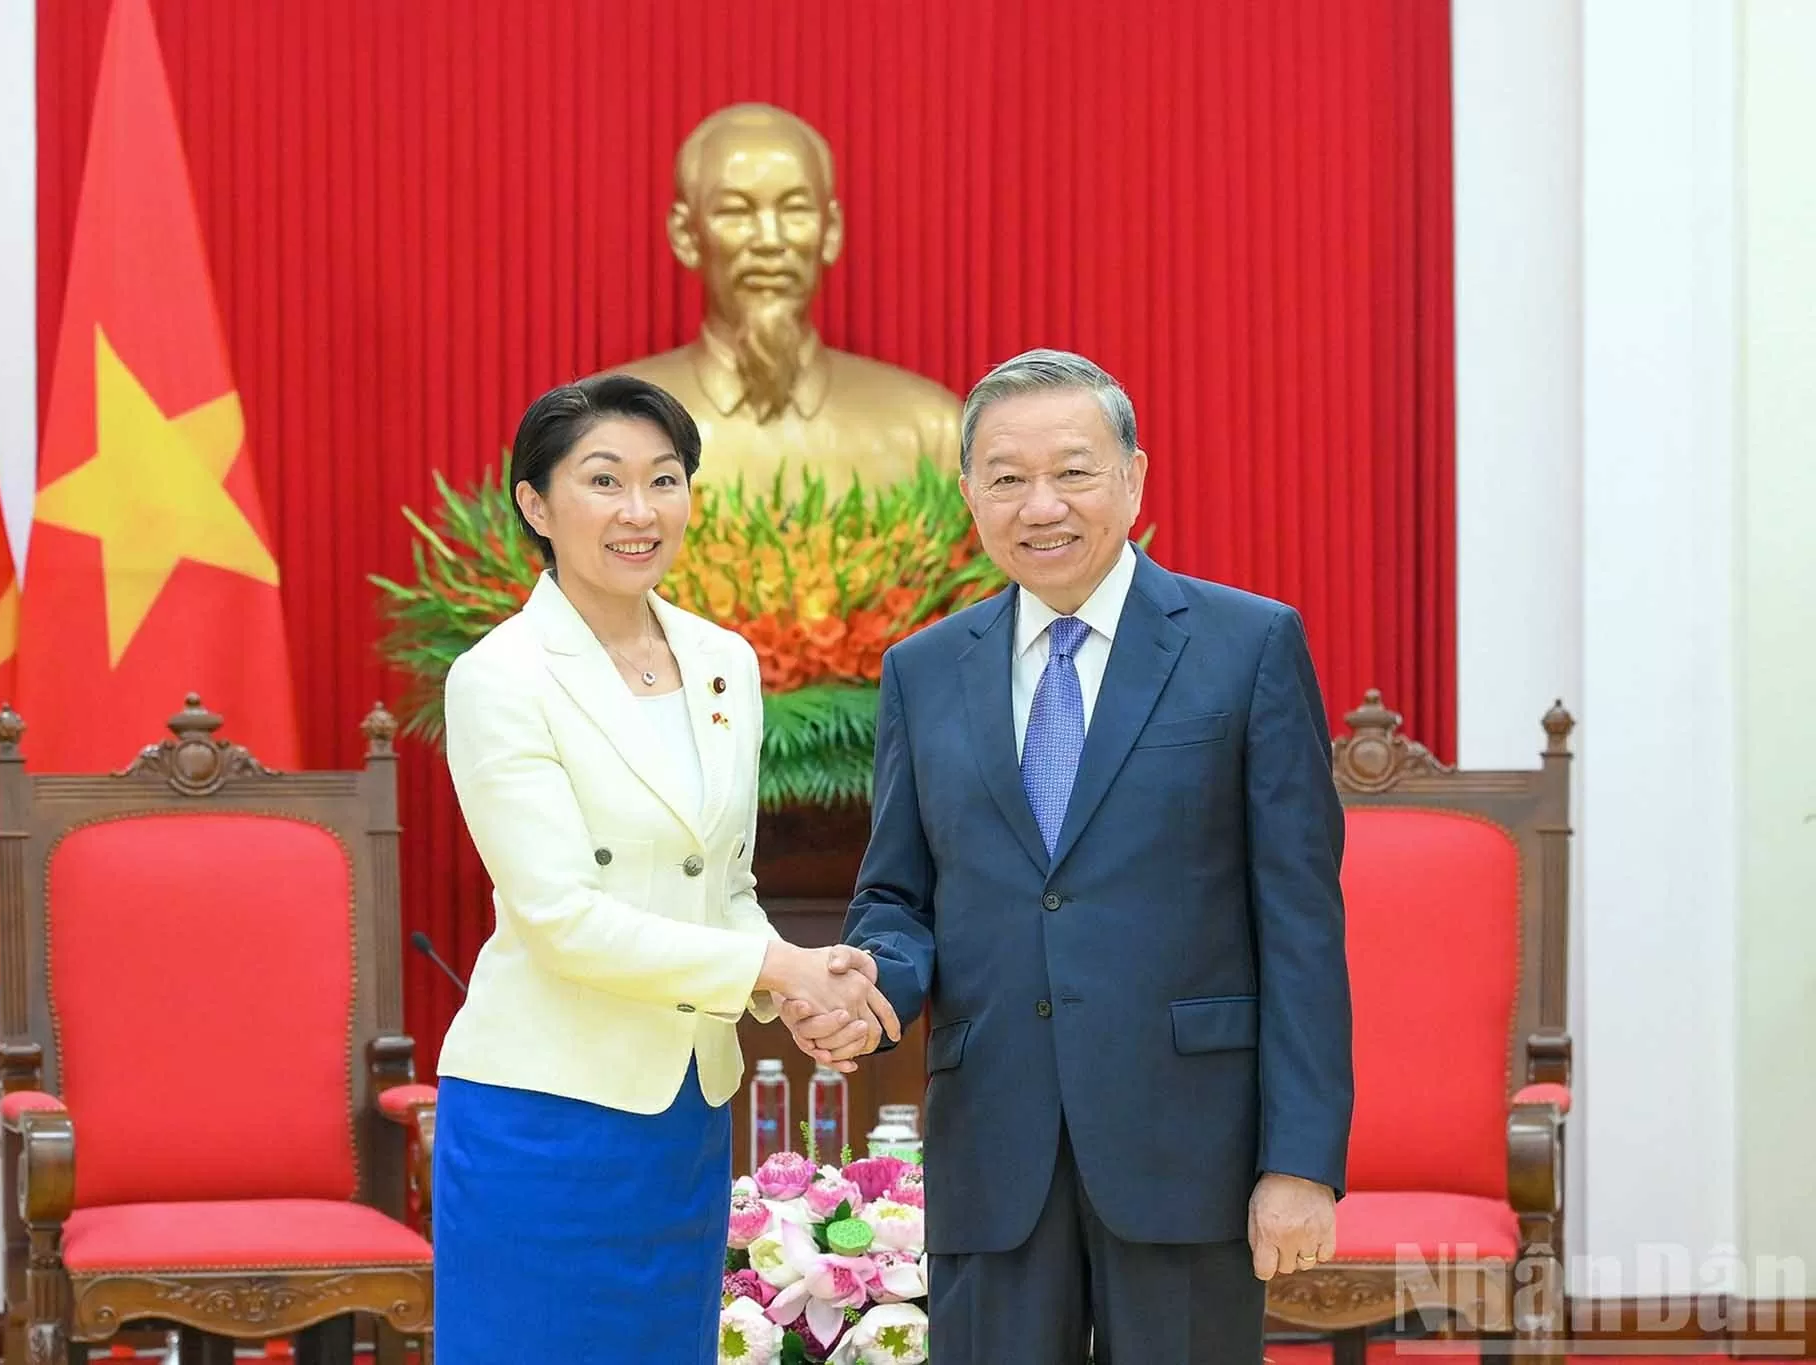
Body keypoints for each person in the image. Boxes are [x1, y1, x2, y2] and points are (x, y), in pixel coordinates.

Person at [785, 349, 1354, 1362]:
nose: (1039, 505)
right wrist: (869, 989)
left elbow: (1300, 922)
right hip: (993, 1154)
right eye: (1005, 477)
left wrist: (1299, 1162)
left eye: (1072, 471)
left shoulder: (1245, 645)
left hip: (1188, 1151)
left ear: (1133, 478)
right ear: (968, 495)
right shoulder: (922, 671)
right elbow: (897, 898)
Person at [431, 374, 899, 1362]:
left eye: (664, 479)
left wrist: (804, 986)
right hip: (545, 1112)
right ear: (535, 504)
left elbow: (719, 886)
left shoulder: (721, 659)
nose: (639, 512)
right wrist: (782, 972)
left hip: (681, 1104)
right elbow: (561, 919)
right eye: (603, 481)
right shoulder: (500, 678)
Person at [607, 101, 961, 498]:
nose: (770, 241)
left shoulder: (931, 435)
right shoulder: (598, 430)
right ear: (686, 236)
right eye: (735, 212)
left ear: (831, 231)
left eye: (795, 210)